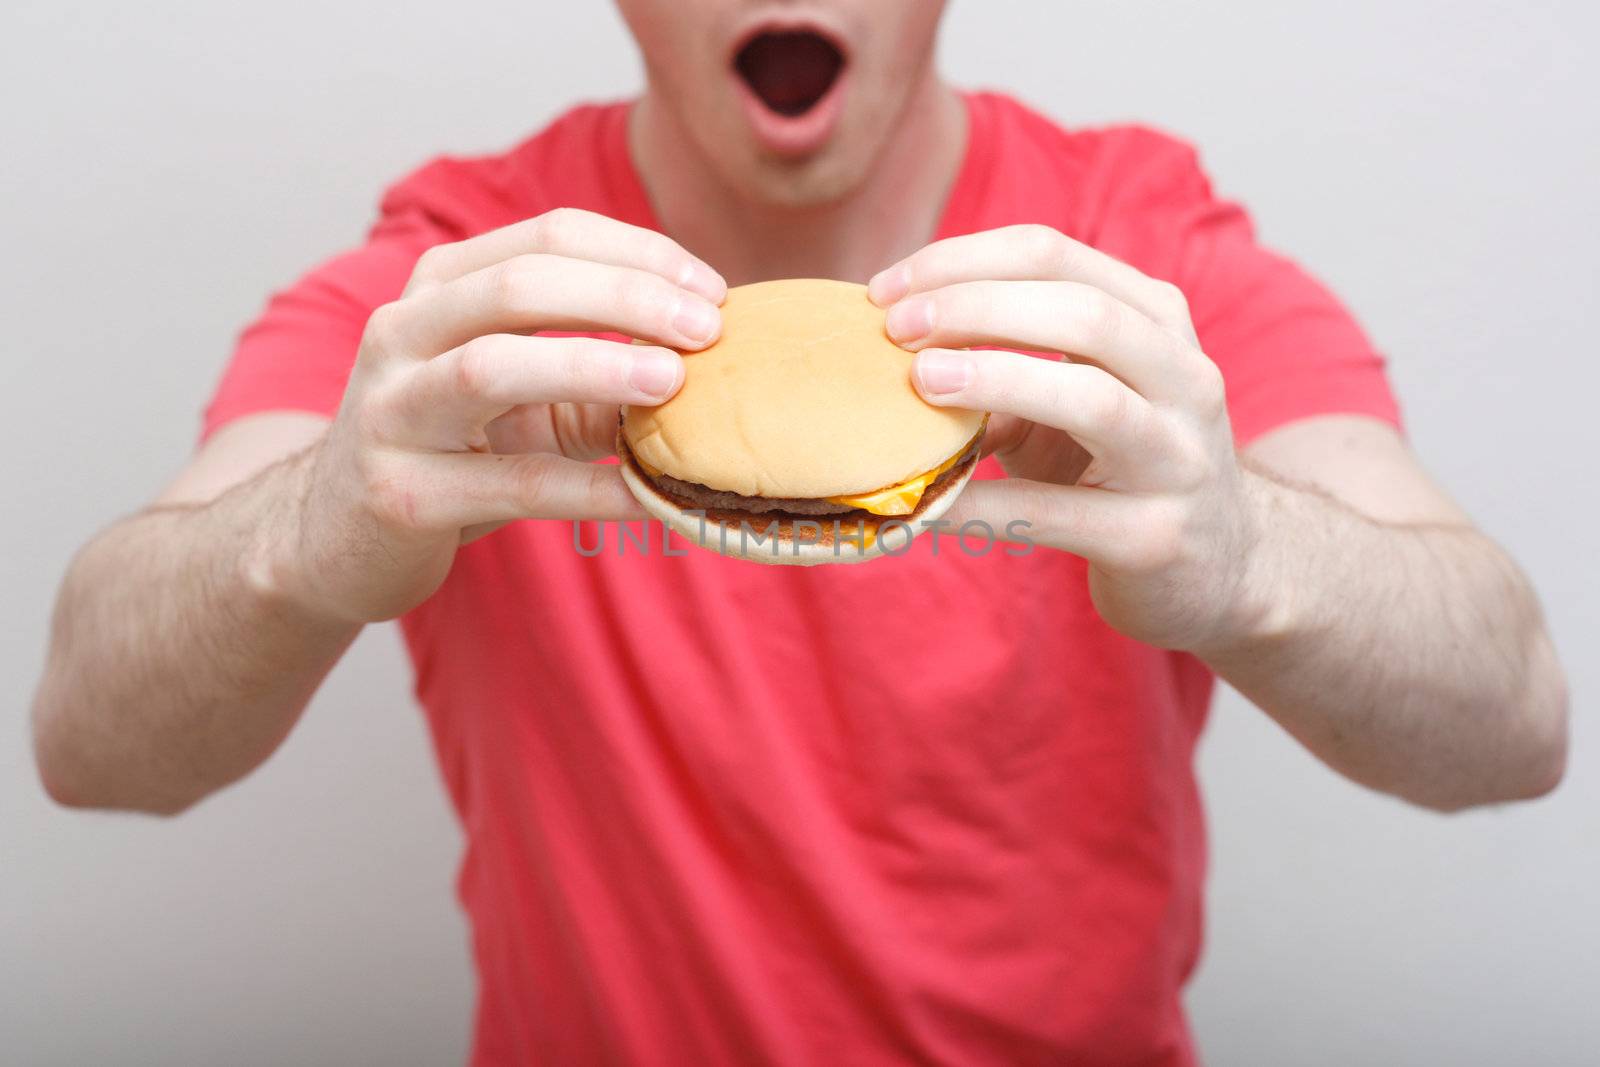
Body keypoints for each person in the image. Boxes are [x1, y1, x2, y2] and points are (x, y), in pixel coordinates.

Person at [30, 2, 1567, 1064]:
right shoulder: (463, 292)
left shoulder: (1138, 261)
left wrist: (1250, 556)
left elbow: (1514, 724)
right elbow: (88, 740)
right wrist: (307, 531)